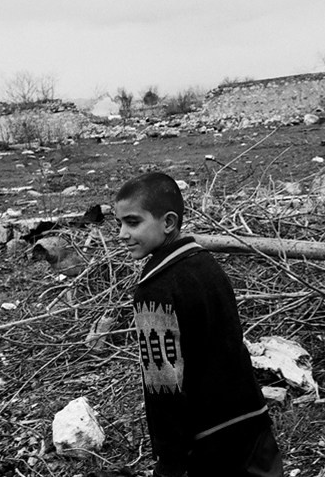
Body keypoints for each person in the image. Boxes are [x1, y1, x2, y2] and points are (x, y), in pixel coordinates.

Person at [114, 172, 283, 477]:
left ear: (168, 223)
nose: (122, 234)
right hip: (251, 422)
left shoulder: (154, 291)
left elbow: (163, 382)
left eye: (133, 222)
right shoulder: (207, 265)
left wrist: (170, 458)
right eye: (120, 224)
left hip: (208, 443)